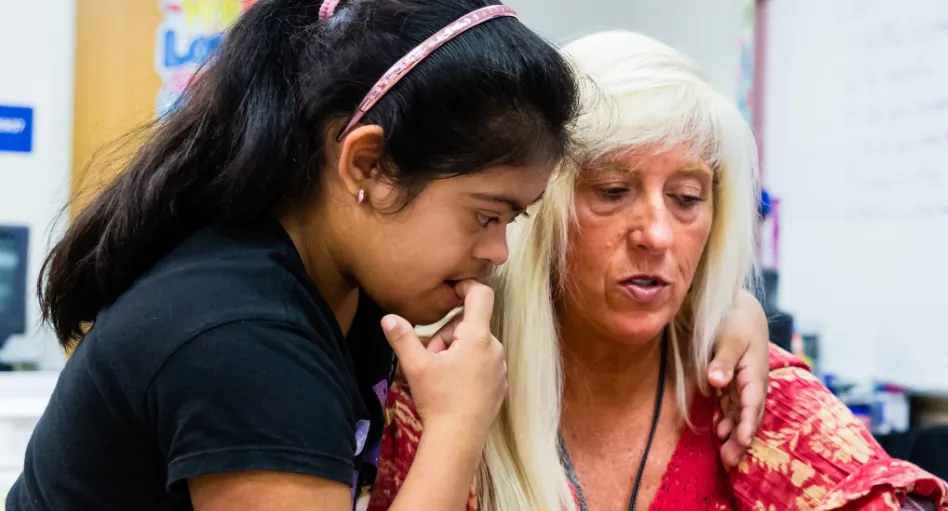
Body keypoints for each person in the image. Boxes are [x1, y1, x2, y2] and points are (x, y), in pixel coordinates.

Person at [5, 4, 770, 511]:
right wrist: (458, 427)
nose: (497, 250)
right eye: (485, 214)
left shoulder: (348, 279)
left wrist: (725, 310)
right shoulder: (242, 338)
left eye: (514, 219)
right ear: (366, 165)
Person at [369, 31, 948, 511]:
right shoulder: (447, 384)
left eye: (687, 198)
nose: (657, 234)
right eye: (614, 190)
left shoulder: (752, 392)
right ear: (536, 210)